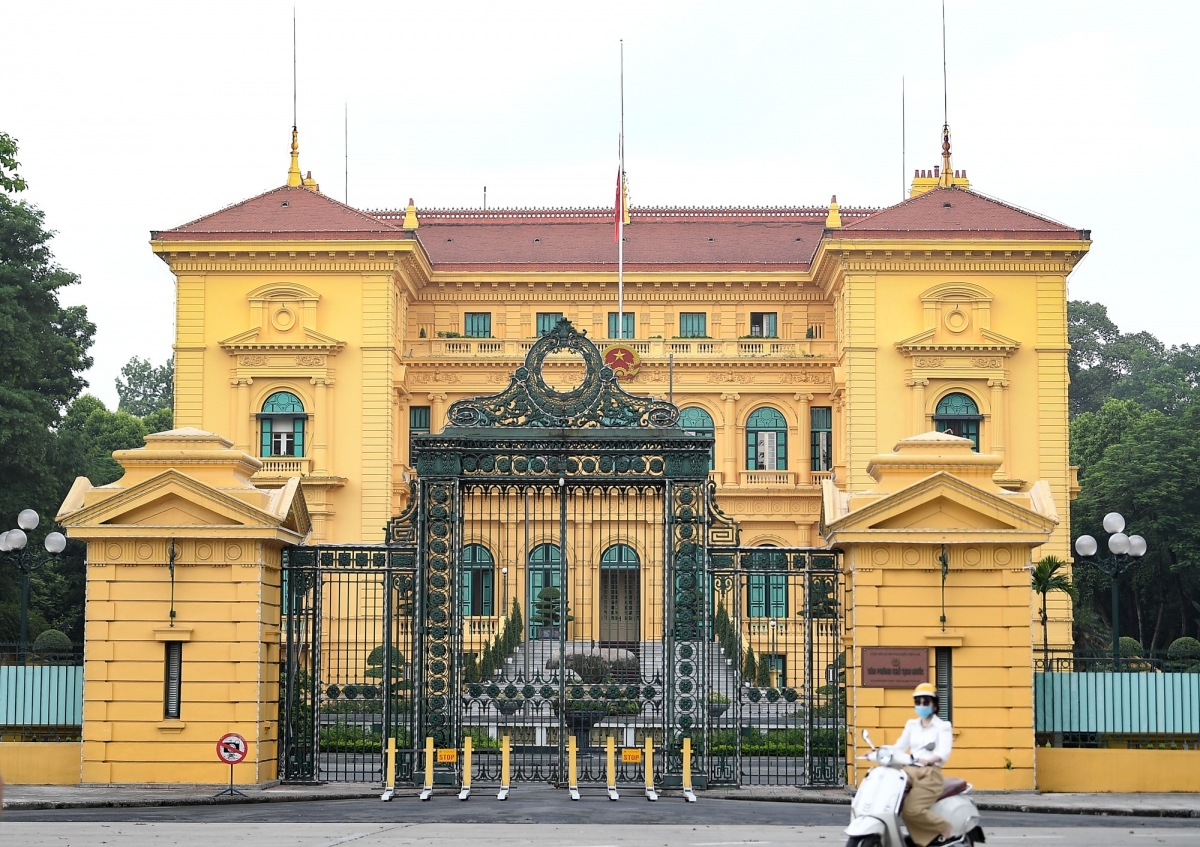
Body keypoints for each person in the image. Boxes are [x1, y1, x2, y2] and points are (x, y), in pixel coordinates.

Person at [894, 682, 954, 847]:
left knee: (912, 810)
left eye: (925, 702)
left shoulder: (943, 727)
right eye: (918, 702)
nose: (921, 705)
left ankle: (944, 827)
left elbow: (943, 752)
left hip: (929, 773)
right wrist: (880, 752)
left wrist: (929, 759)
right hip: (909, 771)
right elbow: (899, 746)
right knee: (891, 799)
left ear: (934, 705)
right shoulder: (912, 725)